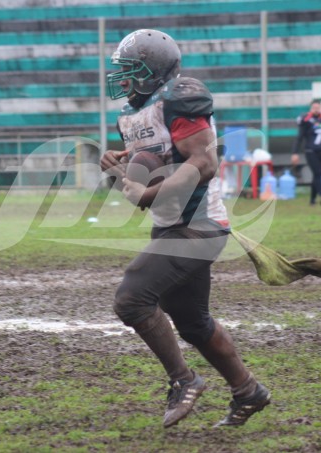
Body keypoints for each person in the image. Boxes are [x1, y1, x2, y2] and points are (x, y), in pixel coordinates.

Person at [100, 29, 270, 429]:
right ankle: (248, 391)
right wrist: (116, 171)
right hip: (170, 227)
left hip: (199, 227)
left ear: (153, 70)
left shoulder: (181, 97)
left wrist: (146, 195)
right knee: (192, 320)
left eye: (130, 70)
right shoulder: (132, 114)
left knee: (131, 299)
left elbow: (204, 164)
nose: (123, 79)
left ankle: (184, 379)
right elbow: (138, 185)